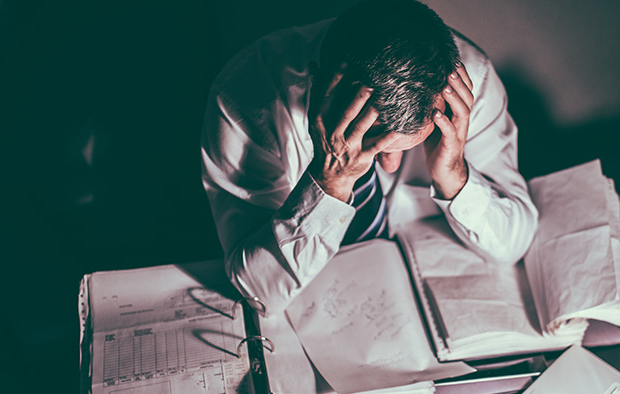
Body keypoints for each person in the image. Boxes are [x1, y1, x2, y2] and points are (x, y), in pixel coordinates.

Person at [201, 0, 537, 314]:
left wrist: (454, 175)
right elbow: (258, 293)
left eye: (405, 149)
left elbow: (512, 245)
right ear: (319, 87)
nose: (391, 165)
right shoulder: (245, 100)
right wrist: (331, 183)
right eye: (372, 146)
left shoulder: (469, 83)